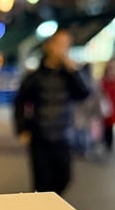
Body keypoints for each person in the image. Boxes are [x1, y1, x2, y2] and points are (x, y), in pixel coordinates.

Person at [13, 27, 90, 195]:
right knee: (41, 183)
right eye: (59, 44)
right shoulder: (35, 76)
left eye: (66, 45)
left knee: (64, 177)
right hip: (39, 134)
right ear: (49, 45)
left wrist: (74, 72)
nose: (62, 49)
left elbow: (84, 93)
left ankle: (51, 208)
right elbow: (20, 102)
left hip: (63, 134)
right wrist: (22, 129)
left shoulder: (69, 75)